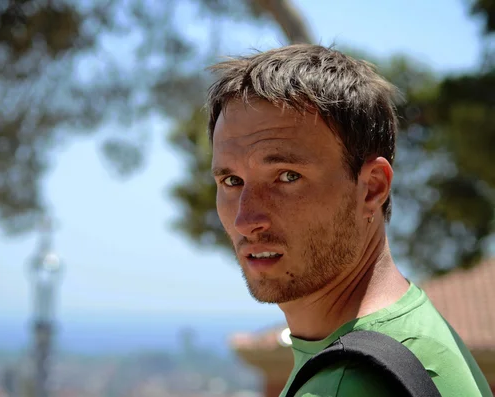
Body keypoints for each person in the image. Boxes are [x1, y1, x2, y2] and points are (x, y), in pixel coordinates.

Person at [206, 44, 493, 397]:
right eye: (232, 181)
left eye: (287, 176)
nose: (246, 219)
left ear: (372, 188)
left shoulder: (349, 383)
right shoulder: (416, 332)